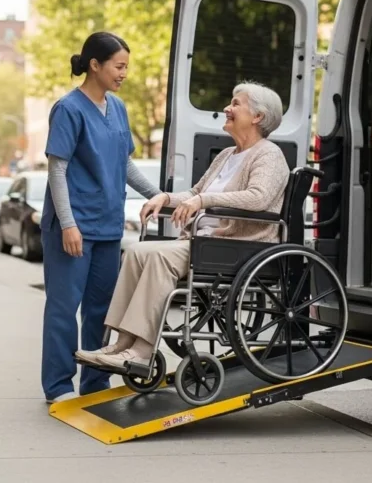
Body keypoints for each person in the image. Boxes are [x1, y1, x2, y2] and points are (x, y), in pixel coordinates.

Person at [75, 82, 290, 370]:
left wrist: (203, 200)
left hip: (238, 246)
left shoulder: (269, 154)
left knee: (160, 258)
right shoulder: (227, 155)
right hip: (206, 243)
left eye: (236, 103)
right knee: (137, 252)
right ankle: (121, 343)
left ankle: (142, 350)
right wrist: (164, 197)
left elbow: (258, 198)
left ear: (258, 117)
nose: (227, 108)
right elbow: (194, 192)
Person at [40, 32, 161, 404]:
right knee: (64, 308)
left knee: (101, 310)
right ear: (95, 65)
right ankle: (59, 386)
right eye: (118, 66)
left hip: (108, 226)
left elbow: (124, 164)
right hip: (72, 228)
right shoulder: (68, 109)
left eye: (126, 67)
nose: (124, 73)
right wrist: (69, 224)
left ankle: (94, 383)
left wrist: (156, 195)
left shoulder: (118, 108)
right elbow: (57, 170)